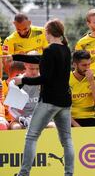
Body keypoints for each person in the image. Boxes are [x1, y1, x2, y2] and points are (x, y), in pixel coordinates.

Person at [14, 19, 73, 176]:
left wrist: (23, 80)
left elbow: (44, 78)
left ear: (48, 33)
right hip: (65, 102)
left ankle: (23, 173)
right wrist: (15, 56)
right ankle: (69, 173)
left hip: (49, 101)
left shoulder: (49, 50)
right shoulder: (66, 50)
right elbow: (39, 59)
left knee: (31, 136)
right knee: (66, 140)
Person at [9, 51, 55, 130]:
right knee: (16, 127)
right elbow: (12, 109)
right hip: (22, 119)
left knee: (53, 126)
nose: (34, 72)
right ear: (25, 65)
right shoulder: (16, 83)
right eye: (31, 68)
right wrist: (22, 119)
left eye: (37, 68)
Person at [2, 13, 48, 78]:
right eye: (18, 29)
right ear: (14, 24)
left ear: (29, 23)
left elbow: (47, 54)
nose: (22, 32)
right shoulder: (9, 40)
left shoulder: (42, 32)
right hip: (20, 75)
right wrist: (16, 75)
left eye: (25, 29)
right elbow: (6, 63)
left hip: (40, 73)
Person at [70, 50, 95, 127]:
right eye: (84, 65)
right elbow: (61, 109)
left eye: (89, 65)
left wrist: (91, 82)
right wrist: (76, 125)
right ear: (74, 65)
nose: (87, 68)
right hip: (70, 119)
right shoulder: (65, 80)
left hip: (90, 118)